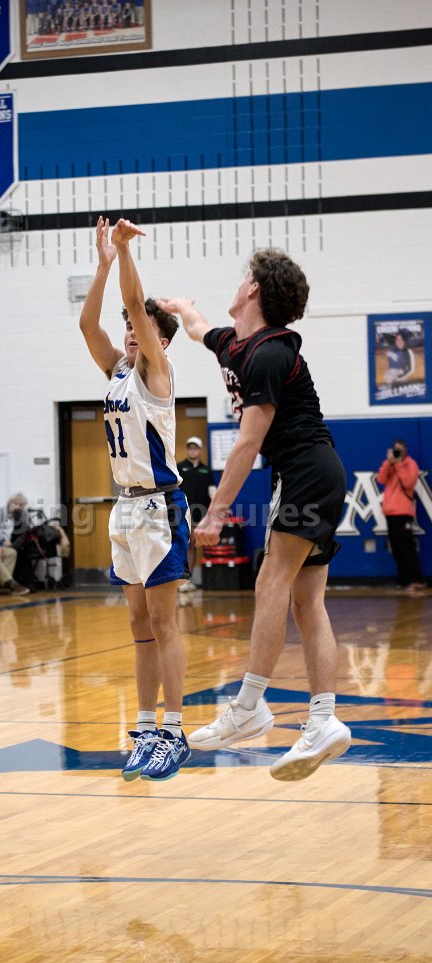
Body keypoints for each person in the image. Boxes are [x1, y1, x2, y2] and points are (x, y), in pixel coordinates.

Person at [160, 246, 352, 782]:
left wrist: (215, 514)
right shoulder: (236, 344)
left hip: (305, 471)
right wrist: (181, 307)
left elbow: (247, 443)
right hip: (318, 472)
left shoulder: (269, 354)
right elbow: (199, 330)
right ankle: (323, 719)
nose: (239, 280)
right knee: (307, 602)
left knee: (270, 583)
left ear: (253, 289)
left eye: (245, 275)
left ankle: (249, 706)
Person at [79, 215, 191, 783]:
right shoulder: (118, 372)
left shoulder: (158, 370)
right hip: (124, 508)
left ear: (158, 340)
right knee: (139, 626)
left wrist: (123, 251)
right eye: (127, 326)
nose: (129, 330)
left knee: (165, 624)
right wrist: (101, 265)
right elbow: (86, 324)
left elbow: (134, 302)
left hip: (159, 508)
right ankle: (145, 728)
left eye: (138, 325)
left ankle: (175, 731)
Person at [376, 440, 426, 591]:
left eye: (400, 450)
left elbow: (408, 483)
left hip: (404, 512)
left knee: (407, 547)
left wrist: (398, 464)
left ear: (406, 450)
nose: (398, 453)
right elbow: (381, 479)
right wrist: (388, 462)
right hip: (390, 513)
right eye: (395, 450)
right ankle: (403, 580)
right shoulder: (390, 464)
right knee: (397, 548)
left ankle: (416, 579)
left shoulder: (411, 464)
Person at [177, 436, 216, 592]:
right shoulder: (179, 468)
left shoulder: (206, 471)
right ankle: (180, 579)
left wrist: (220, 507)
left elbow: (212, 491)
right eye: (190, 448)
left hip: (201, 514)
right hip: (181, 513)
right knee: (183, 545)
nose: (192, 451)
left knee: (193, 545)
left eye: (195, 448)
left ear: (200, 451)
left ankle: (187, 579)